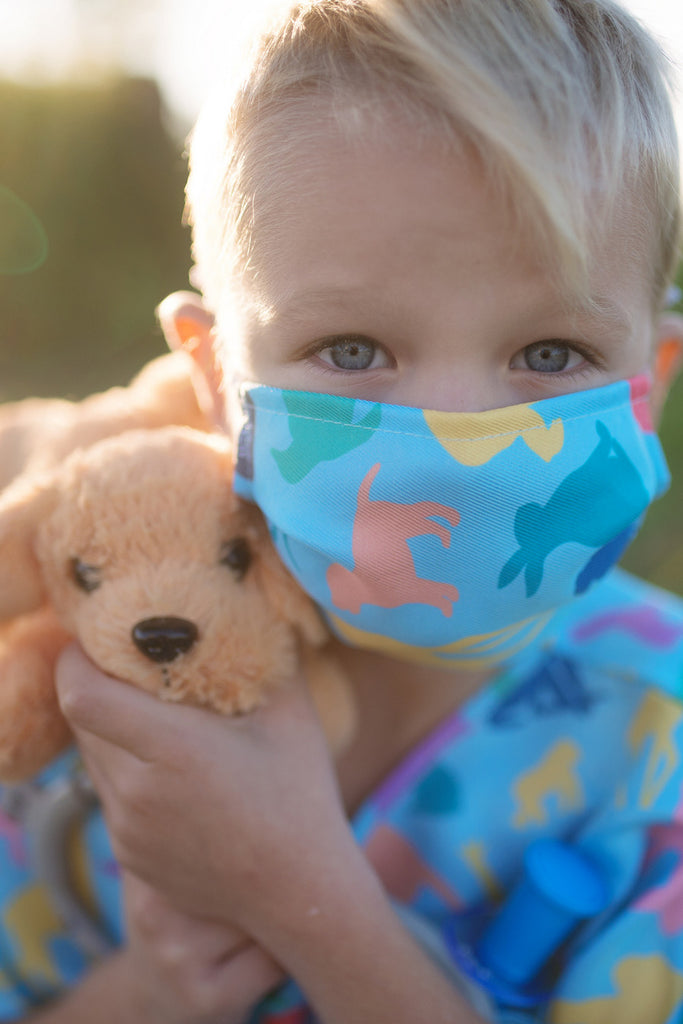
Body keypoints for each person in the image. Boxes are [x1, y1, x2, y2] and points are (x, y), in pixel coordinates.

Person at [3, 0, 683, 1020]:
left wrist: (304, 899)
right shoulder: (97, 666)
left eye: (549, 353)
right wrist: (153, 986)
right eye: (354, 349)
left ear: (648, 383)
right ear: (214, 375)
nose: (453, 436)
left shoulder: (655, 740)